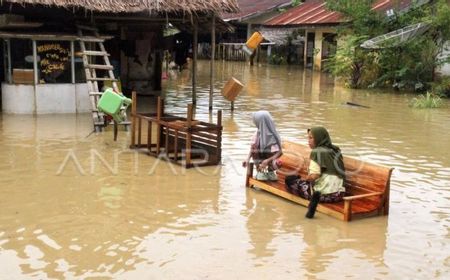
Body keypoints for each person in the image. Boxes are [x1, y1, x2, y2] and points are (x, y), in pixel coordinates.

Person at [286, 127, 346, 203]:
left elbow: (314, 176)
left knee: (290, 181)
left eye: (311, 138)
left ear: (319, 138)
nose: (308, 141)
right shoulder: (335, 150)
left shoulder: (317, 151)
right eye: (308, 138)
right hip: (339, 194)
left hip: (324, 195)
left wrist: (306, 179)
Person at [243, 111, 282, 181]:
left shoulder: (274, 135)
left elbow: (280, 152)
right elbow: (252, 148)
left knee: (278, 162)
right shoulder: (257, 133)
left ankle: (270, 172)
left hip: (270, 161)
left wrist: (267, 161)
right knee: (255, 149)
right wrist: (247, 159)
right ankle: (260, 172)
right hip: (260, 161)